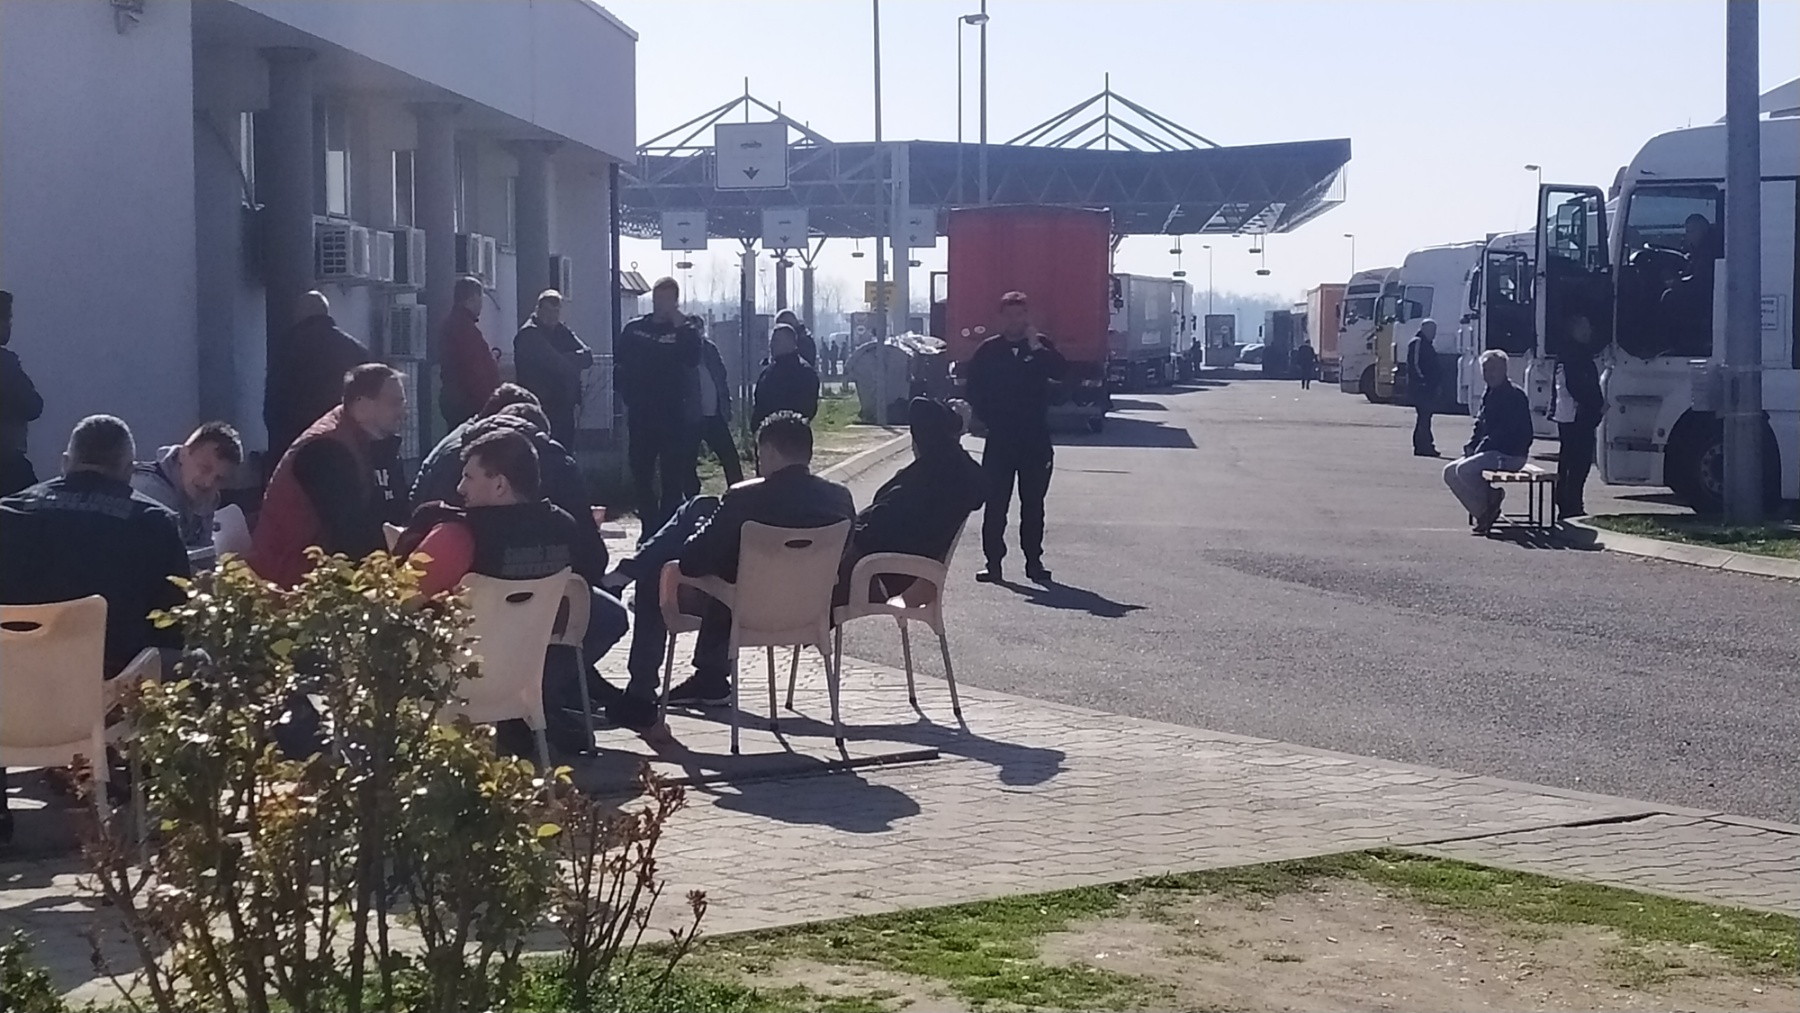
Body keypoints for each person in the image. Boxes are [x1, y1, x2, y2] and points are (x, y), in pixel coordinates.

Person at [0, 415, 191, 843]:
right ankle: (166, 800)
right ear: (129, 470)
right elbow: (176, 627)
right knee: (193, 661)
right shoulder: (152, 523)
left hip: (8, 698)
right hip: (103, 699)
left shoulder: (6, 515)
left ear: (65, 462)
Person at [600, 412, 855, 732]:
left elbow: (692, 561)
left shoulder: (745, 498)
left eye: (760, 454)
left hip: (743, 606)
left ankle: (640, 694)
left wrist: (705, 534)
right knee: (703, 514)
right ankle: (710, 677)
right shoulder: (840, 499)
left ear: (769, 451)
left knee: (659, 577)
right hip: (806, 611)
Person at [394, 428, 628, 753]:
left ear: (500, 484)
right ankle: (529, 720)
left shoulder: (457, 536)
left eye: (469, 477)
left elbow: (395, 602)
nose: (460, 488)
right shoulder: (563, 529)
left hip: (452, 681)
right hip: (522, 682)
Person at [252, 363, 411, 587]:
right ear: (362, 406)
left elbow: (392, 513)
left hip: (318, 576)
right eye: (395, 403)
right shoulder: (325, 450)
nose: (404, 412)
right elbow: (351, 538)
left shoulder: (372, 444)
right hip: (289, 582)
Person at [838, 397, 986, 605]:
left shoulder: (925, 483)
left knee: (815, 562)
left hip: (880, 572)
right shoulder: (962, 473)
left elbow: (876, 531)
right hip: (902, 569)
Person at [965, 291, 1067, 584]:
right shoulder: (989, 350)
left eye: (1020, 314)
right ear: (1001, 318)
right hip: (1000, 440)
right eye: (1009, 315)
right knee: (996, 503)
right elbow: (973, 389)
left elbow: (1061, 372)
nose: (1015, 320)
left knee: (1033, 504)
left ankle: (1034, 562)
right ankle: (993, 564)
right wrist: (984, 419)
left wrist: (1036, 347)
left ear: (1027, 317)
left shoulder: (1040, 346)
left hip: (1035, 440)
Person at [412, 382, 597, 539]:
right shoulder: (562, 516)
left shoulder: (458, 531)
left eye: (468, 477)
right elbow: (593, 557)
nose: (460, 488)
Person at [615, 277, 703, 533]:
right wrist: (627, 394)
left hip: (672, 415)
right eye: (658, 298)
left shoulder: (684, 331)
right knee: (641, 472)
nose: (661, 304)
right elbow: (620, 363)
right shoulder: (635, 329)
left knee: (672, 477)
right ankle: (648, 526)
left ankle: (667, 529)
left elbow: (693, 358)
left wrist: (681, 325)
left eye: (667, 299)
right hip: (641, 414)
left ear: (675, 301)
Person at [264, 290, 375, 466]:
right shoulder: (355, 350)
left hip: (298, 443)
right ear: (326, 312)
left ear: (300, 314)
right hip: (343, 443)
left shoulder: (287, 348)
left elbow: (273, 402)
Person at [1444, 350, 1534, 534]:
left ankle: (1491, 500)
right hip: (1489, 452)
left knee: (1464, 470)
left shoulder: (1514, 395)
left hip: (1511, 454)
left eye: (1493, 369)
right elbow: (1480, 426)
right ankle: (1484, 512)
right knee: (1450, 472)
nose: (1489, 374)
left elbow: (1506, 433)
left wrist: (1479, 449)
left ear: (1504, 370)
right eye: (1485, 370)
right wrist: (1471, 445)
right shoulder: (1488, 393)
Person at [130, 421, 244, 551]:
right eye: (204, 468)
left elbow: (203, 553)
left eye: (219, 478)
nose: (209, 483)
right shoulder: (149, 495)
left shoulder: (206, 496)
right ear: (183, 455)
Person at [512, 289, 593, 442]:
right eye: (548, 311)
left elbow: (588, 356)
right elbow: (556, 364)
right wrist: (572, 359)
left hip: (563, 405)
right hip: (539, 406)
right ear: (538, 309)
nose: (552, 316)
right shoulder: (529, 334)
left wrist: (567, 357)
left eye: (556, 311)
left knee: (564, 449)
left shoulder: (560, 330)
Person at [1554, 316, 1604, 518]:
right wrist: (1595, 405)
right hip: (1576, 416)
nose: (1589, 331)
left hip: (1568, 415)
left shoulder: (1570, 352)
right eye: (1584, 327)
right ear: (1573, 329)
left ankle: (1568, 502)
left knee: (1569, 459)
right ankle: (1571, 504)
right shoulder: (1574, 355)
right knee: (1577, 462)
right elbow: (1577, 386)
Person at [0, 290, 45, 497]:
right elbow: (33, 406)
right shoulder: (5, 364)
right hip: (5, 461)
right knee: (28, 503)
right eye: (6, 319)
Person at [440, 275, 500, 428]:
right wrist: (489, 402)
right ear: (472, 298)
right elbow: (475, 369)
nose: (481, 305)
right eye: (480, 299)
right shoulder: (465, 329)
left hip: (456, 399)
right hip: (468, 403)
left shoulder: (455, 324)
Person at [696, 331, 744, 486]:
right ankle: (690, 495)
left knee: (730, 456)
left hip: (714, 415)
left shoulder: (709, 349)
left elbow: (721, 379)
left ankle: (738, 491)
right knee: (686, 461)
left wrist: (725, 407)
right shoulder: (679, 350)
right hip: (691, 418)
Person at [751, 324, 821, 429]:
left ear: (792, 344)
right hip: (767, 433)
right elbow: (759, 405)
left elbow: (808, 408)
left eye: (777, 341)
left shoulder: (804, 373)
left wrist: (785, 421)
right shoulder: (768, 373)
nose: (772, 345)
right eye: (772, 341)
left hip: (794, 432)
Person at [1405, 319, 1443, 457]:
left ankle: (1423, 446)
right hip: (1421, 388)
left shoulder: (1427, 344)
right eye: (1432, 330)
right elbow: (1413, 364)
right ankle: (1424, 446)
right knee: (1424, 417)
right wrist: (1423, 381)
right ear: (1424, 329)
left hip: (1429, 387)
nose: (1434, 334)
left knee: (1425, 417)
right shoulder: (1417, 342)